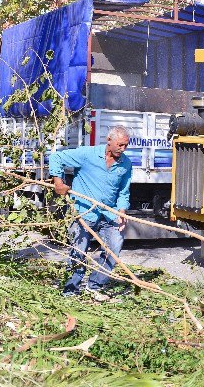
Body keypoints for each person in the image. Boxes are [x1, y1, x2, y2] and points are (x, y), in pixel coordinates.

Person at [49, 126, 132, 298]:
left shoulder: (126, 164)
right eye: (120, 145)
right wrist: (58, 182)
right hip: (84, 213)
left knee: (114, 248)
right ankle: (71, 290)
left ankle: (94, 286)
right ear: (109, 140)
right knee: (79, 251)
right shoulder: (87, 155)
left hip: (109, 214)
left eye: (126, 146)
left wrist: (122, 211)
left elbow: (124, 191)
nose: (123, 149)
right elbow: (56, 157)